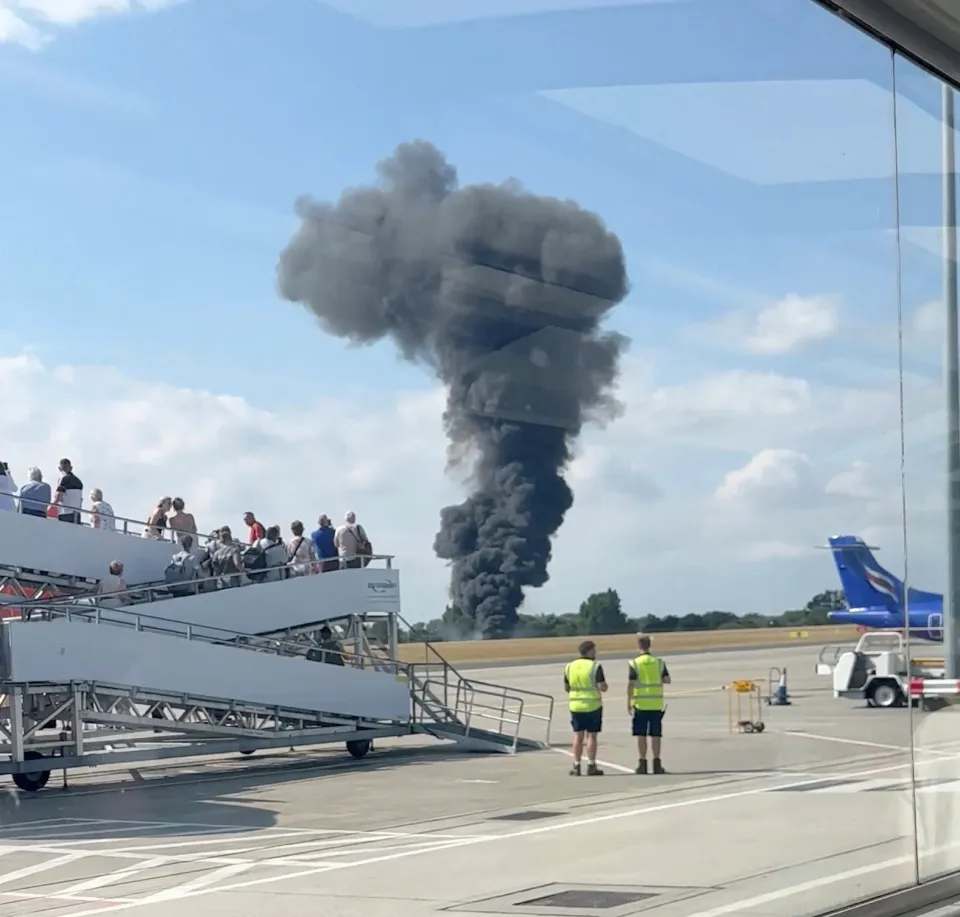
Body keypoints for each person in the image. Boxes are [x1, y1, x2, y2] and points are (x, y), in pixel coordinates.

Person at [627, 634, 671, 775]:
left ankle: (642, 763)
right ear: (649, 645)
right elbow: (667, 679)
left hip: (640, 703)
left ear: (639, 646)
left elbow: (631, 683)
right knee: (656, 735)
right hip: (656, 703)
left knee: (641, 735)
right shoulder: (659, 662)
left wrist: (629, 702)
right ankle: (657, 763)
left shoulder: (634, 663)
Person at [564, 640, 607, 777]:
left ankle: (576, 766)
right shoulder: (595, 667)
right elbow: (602, 687)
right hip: (592, 705)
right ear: (589, 651)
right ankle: (591, 765)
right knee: (592, 736)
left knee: (578, 735)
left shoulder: (570, 666)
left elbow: (567, 687)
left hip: (575, 706)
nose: (596, 653)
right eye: (594, 650)